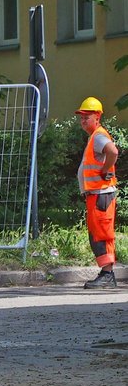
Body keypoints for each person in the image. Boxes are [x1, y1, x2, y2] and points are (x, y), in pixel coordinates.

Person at [75, 96, 119, 289]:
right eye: (81, 117)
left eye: (87, 116)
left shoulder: (99, 136)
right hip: (97, 195)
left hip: (101, 194)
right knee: (98, 233)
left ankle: (107, 274)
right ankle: (107, 273)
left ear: (97, 118)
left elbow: (113, 152)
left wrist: (106, 169)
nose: (83, 120)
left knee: (101, 234)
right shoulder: (95, 137)